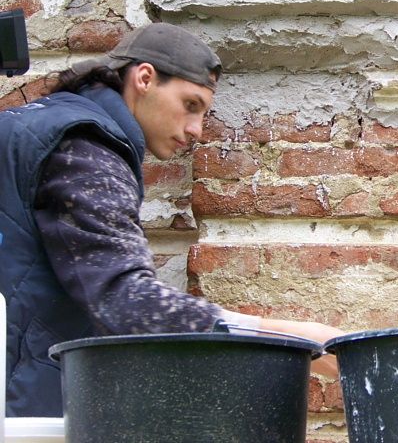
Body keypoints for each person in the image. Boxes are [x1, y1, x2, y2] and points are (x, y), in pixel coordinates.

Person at [0, 22, 342, 418]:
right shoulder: (86, 145)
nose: (196, 130)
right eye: (191, 105)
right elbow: (129, 302)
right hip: (20, 409)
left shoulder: (28, 125)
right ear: (144, 78)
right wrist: (286, 337)